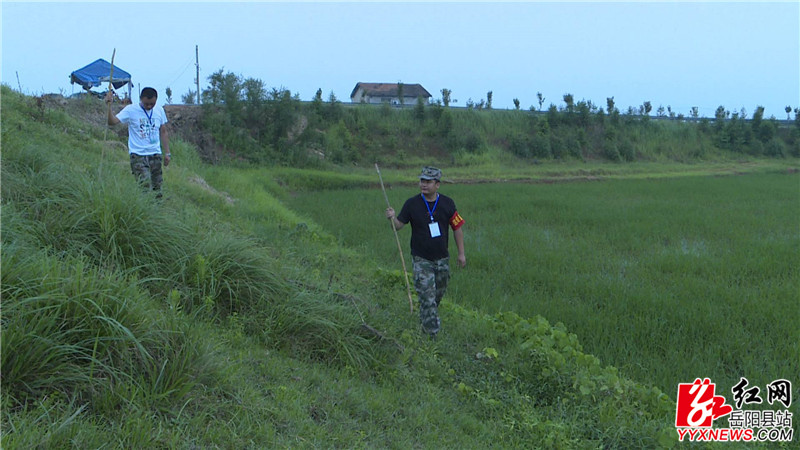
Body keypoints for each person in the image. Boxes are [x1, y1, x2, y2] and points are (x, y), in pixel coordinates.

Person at [385, 166, 466, 338]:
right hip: (421, 259)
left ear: (437, 184)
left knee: (435, 297)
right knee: (427, 298)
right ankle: (432, 336)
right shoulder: (412, 204)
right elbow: (398, 226)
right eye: (422, 181)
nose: (424, 184)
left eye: (428, 182)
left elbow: (457, 228)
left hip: (442, 259)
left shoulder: (447, 203)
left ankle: (426, 321)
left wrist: (461, 254)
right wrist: (392, 218)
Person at [106, 87, 170, 197]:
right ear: (140, 99)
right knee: (144, 187)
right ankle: (145, 211)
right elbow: (112, 122)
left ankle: (157, 210)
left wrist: (167, 153)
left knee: (157, 188)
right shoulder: (130, 110)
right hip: (138, 155)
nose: (149, 106)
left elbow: (163, 131)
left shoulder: (159, 110)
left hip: (155, 154)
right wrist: (109, 106)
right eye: (146, 104)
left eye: (152, 104)